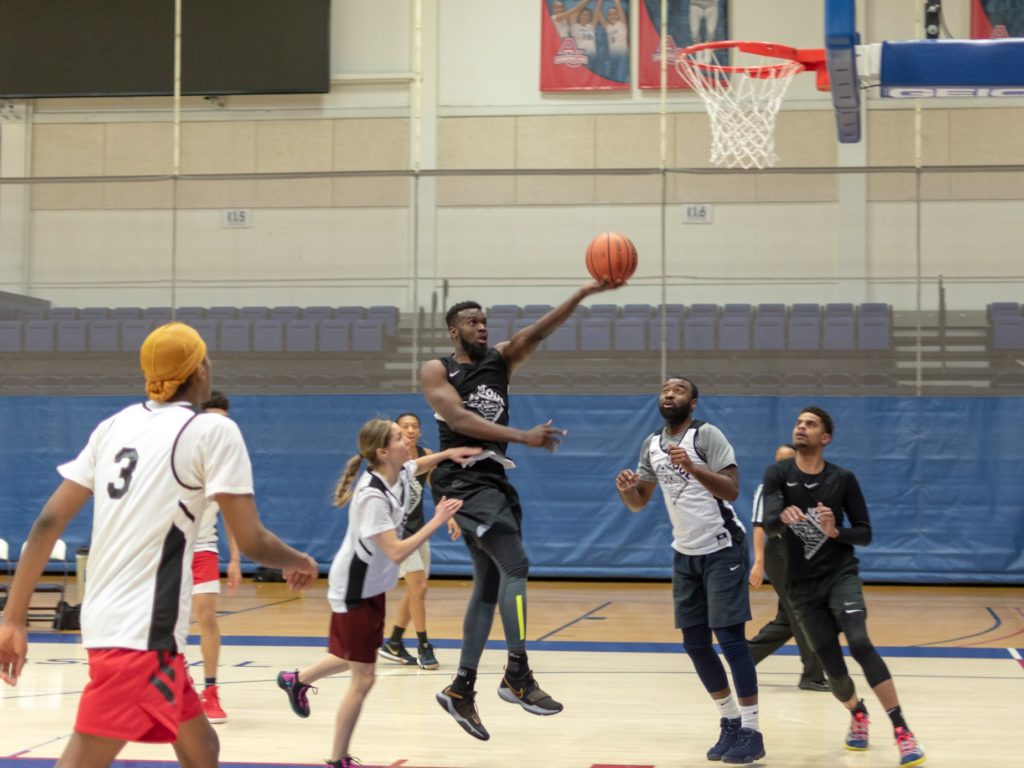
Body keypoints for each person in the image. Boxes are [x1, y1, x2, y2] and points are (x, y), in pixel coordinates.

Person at [0, 322, 319, 768]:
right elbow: (252, 539)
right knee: (83, 759)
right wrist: (299, 559)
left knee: (202, 747)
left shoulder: (114, 425)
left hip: (114, 622)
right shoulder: (212, 430)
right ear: (201, 370)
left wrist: (14, 619)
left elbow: (47, 523)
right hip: (140, 633)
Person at [424, 279, 616, 742]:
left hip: (493, 481)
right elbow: (461, 420)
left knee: (490, 583)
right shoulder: (438, 369)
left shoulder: (500, 360)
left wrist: (582, 294)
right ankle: (518, 674)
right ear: (454, 330)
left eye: (484, 320)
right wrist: (523, 436)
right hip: (461, 477)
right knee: (516, 564)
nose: (481, 327)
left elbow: (540, 331)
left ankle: (461, 689)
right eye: (471, 321)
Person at [274, 419, 479, 768]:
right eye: (400, 437)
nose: (407, 440)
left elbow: (420, 464)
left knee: (354, 655)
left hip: (372, 585)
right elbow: (396, 552)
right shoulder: (372, 495)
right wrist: (437, 519)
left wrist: (449, 454)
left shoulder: (397, 472)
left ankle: (296, 680)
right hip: (354, 590)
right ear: (383, 452)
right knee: (364, 677)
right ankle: (338, 758)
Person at [761, 406, 926, 767]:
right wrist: (782, 519)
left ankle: (902, 731)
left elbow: (865, 532)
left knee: (861, 642)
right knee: (834, 674)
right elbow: (769, 521)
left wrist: (836, 532)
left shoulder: (843, 479)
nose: (801, 427)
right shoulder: (778, 473)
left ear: (826, 438)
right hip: (800, 588)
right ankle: (858, 713)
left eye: (810, 424)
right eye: (799, 422)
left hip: (840, 575)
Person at [615, 376, 765, 764]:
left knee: (731, 641)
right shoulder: (651, 444)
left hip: (722, 546)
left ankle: (752, 730)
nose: (669, 393)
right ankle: (729, 720)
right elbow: (639, 503)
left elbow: (731, 490)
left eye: (679, 390)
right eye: (665, 388)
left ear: (693, 403)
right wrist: (628, 489)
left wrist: (694, 469)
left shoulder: (706, 436)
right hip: (685, 553)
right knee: (695, 644)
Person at [748, 443, 829, 692]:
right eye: (780, 460)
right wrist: (759, 563)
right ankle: (812, 675)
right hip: (779, 556)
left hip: (802, 556)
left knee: (788, 618)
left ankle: (743, 658)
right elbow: (759, 526)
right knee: (805, 613)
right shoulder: (768, 489)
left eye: (789, 460)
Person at [190, 390, 243, 724]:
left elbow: (233, 513)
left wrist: (235, 559)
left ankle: (211, 690)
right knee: (168, 622)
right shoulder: (181, 453)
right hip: (169, 549)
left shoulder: (227, 464)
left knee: (207, 616)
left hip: (203, 548)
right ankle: (176, 680)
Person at [379, 412, 442, 670]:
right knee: (420, 588)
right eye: (405, 426)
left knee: (416, 589)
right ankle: (424, 645)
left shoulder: (424, 453)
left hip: (418, 531)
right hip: (399, 535)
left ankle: (393, 642)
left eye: (414, 426)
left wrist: (446, 513)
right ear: (397, 431)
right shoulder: (393, 458)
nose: (410, 430)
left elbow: (436, 486)